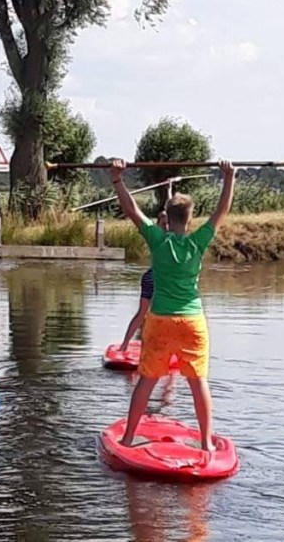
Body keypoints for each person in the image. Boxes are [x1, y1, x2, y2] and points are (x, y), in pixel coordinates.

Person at [110, 159, 235, 452]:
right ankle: (206, 443)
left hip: (161, 320)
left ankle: (128, 439)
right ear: (190, 221)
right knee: (198, 382)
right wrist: (229, 176)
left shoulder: (158, 240)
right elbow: (222, 211)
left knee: (146, 381)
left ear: (167, 217)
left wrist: (117, 179)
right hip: (193, 322)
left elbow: (132, 211)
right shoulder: (198, 242)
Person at [116, 211, 169, 355]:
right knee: (142, 313)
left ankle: (166, 347)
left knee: (166, 315)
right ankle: (125, 344)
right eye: (164, 223)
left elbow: (172, 208)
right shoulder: (157, 236)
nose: (167, 226)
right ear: (158, 224)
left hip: (164, 278)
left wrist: (169, 189)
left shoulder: (173, 235)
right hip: (153, 278)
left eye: (169, 222)